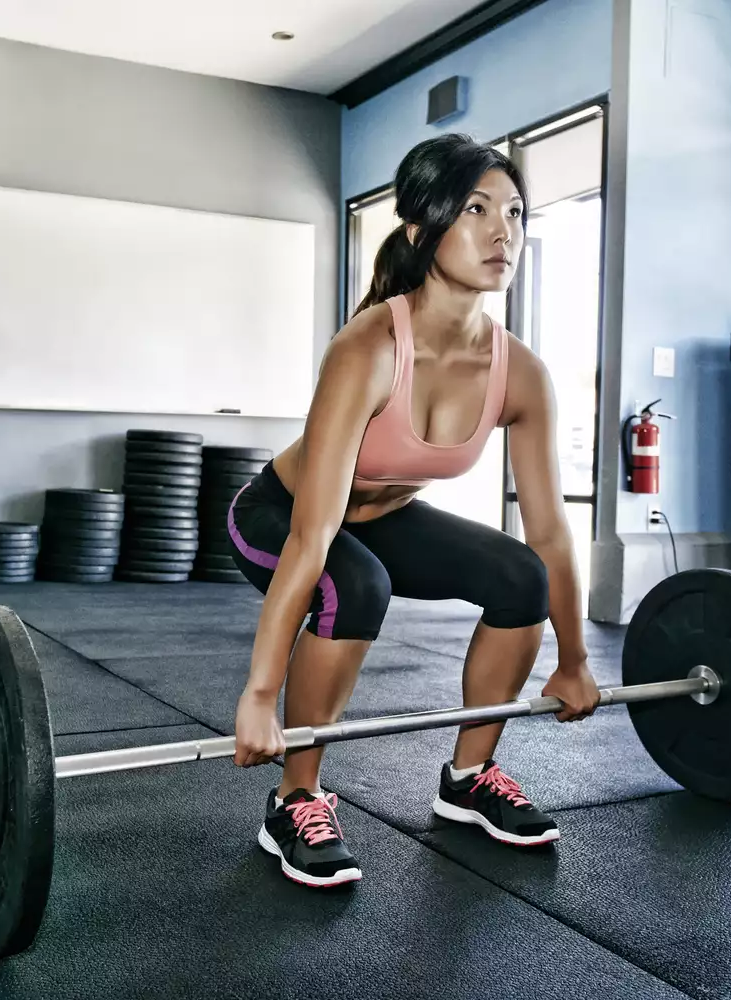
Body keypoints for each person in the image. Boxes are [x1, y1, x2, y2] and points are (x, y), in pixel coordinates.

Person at [224, 133, 601, 888]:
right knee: (354, 584)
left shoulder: (520, 372)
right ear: (421, 231)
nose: (504, 232)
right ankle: (296, 796)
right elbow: (312, 533)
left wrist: (575, 658)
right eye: (476, 209)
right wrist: (260, 694)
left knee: (519, 574)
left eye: (517, 214)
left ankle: (468, 778)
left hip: (383, 522)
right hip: (283, 515)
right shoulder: (368, 347)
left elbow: (551, 531)